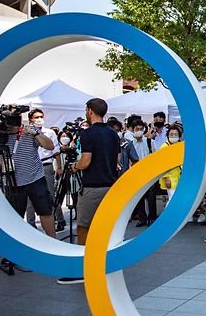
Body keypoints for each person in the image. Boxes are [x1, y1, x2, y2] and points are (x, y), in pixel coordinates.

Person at [58, 98, 120, 285]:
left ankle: (83, 268)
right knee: (104, 228)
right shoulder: (113, 134)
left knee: (84, 226)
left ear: (90, 111)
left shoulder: (88, 134)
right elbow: (116, 160)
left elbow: (85, 162)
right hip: (111, 186)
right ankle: (103, 264)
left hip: (93, 187)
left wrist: (74, 166)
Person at [0, 113, 56, 239]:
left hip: (35, 178)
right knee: (15, 217)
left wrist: (35, 133)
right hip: (12, 183)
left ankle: (53, 240)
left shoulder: (29, 131)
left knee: (45, 211)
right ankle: (17, 245)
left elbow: (50, 146)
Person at [25, 108, 65, 232]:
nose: (39, 119)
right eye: (36, 117)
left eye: (41, 116)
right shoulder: (25, 133)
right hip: (30, 167)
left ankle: (59, 219)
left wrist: (59, 166)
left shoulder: (49, 132)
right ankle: (30, 223)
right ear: (31, 119)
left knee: (50, 194)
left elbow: (56, 150)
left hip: (46, 164)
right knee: (29, 197)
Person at [129, 119, 157, 227]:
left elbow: (156, 156)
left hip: (149, 173)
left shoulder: (150, 142)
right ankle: (142, 218)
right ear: (132, 130)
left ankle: (152, 217)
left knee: (151, 196)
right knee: (139, 197)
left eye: (141, 129)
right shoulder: (130, 144)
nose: (139, 131)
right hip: (136, 173)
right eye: (137, 129)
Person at [158, 124, 183, 202]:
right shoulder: (164, 147)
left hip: (180, 176)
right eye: (171, 134)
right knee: (173, 199)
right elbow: (162, 164)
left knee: (178, 199)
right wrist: (166, 178)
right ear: (167, 135)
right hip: (170, 178)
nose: (173, 136)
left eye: (175, 134)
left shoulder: (181, 145)